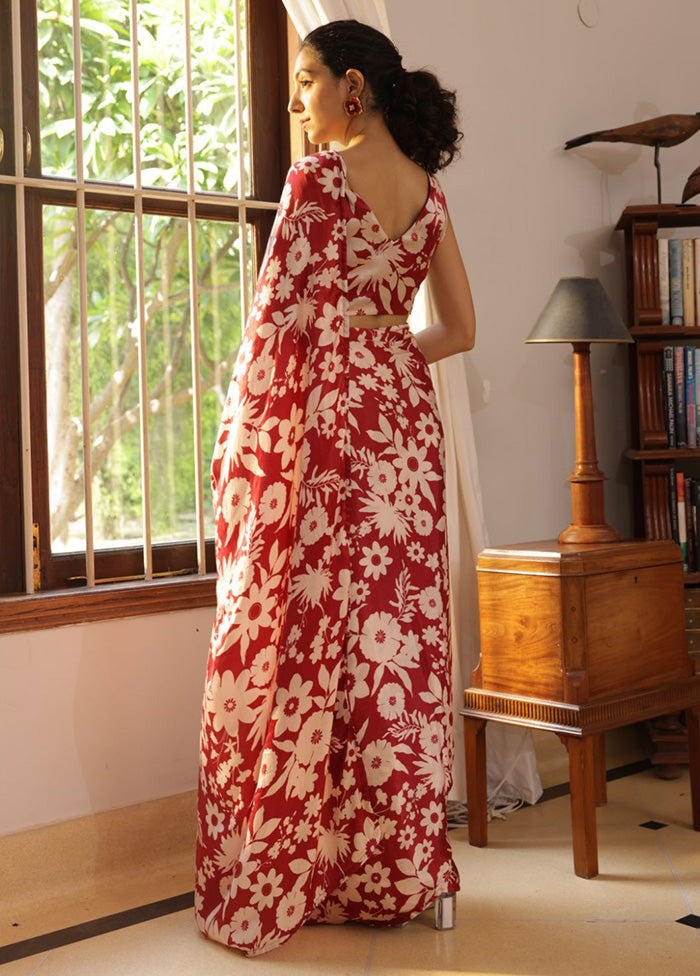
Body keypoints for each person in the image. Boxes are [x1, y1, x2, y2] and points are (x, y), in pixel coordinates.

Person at [195, 18, 475, 957]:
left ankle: (297, 866)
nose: (297, 104)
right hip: (403, 432)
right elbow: (461, 329)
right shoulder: (428, 197)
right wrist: (386, 348)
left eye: (304, 83)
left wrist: (242, 440)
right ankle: (389, 867)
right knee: (390, 645)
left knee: (307, 636)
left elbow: (274, 326)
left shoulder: (317, 180)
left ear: (352, 86)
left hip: (328, 433)